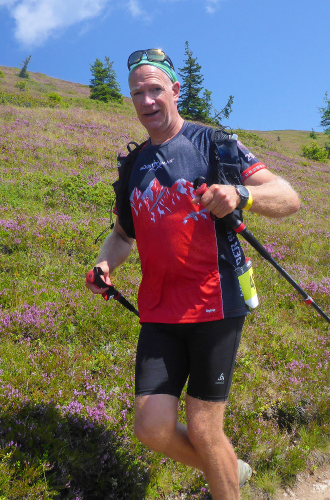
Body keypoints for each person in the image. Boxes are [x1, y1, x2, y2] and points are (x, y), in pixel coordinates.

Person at [85, 48, 300, 499]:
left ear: (175, 90)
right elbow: (122, 235)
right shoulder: (133, 166)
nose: (147, 100)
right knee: (151, 427)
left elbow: (288, 197)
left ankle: (223, 475)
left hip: (215, 305)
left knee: (204, 429)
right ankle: (229, 469)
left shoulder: (213, 143)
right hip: (159, 312)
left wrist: (241, 194)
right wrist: (105, 263)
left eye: (155, 89)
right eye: (138, 93)